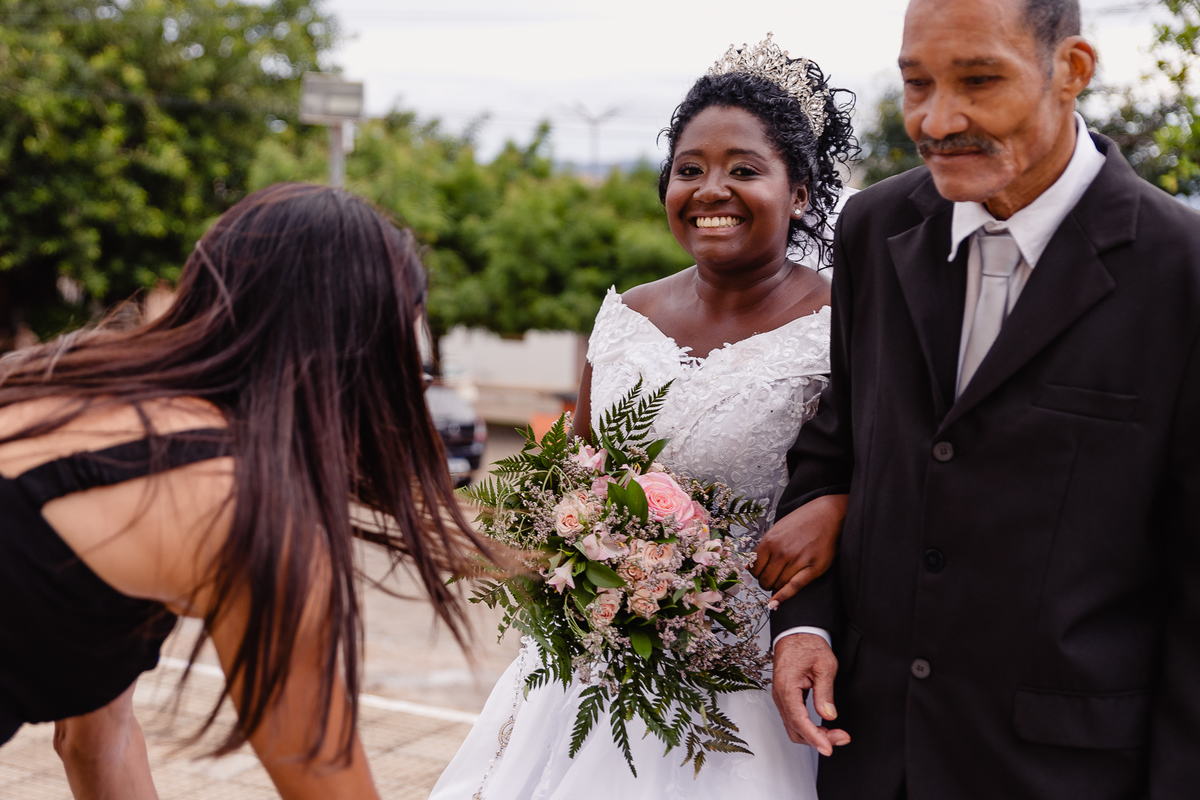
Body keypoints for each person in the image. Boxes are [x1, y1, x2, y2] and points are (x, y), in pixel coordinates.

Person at [759, 0, 1200, 798]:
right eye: (916, 83)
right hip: (869, 758)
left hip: (1067, 773)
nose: (936, 118)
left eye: (979, 79)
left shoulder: (1182, 272)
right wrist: (805, 624)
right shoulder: (873, 227)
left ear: (1071, 72)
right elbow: (834, 452)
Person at [430, 35, 856, 800]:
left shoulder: (844, 322)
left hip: (751, 670)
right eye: (688, 169)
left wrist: (840, 506)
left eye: (744, 170)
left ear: (799, 194)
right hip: (599, 661)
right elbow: (581, 479)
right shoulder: (626, 316)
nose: (710, 189)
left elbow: (876, 467)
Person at [0, 182, 488, 799]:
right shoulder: (247, 512)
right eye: (407, 351)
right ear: (357, 353)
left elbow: (98, 744)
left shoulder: (65, 375)